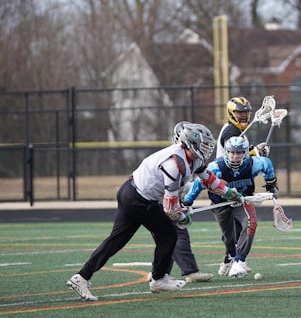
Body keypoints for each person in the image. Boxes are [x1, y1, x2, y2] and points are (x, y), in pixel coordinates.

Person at [66, 123, 243, 301]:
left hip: (133, 192)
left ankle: (81, 277)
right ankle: (158, 279)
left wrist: (231, 194)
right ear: (190, 143)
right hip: (139, 199)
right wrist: (182, 216)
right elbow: (170, 207)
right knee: (168, 235)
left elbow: (209, 180)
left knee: (116, 241)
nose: (207, 148)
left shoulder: (192, 158)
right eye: (204, 144)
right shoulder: (175, 164)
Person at [183, 135, 279, 278]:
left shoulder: (254, 164)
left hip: (243, 201)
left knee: (251, 223)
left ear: (246, 152)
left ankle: (239, 261)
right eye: (232, 152)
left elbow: (267, 164)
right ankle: (230, 256)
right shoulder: (216, 168)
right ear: (226, 152)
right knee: (229, 238)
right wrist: (187, 202)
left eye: (239, 152)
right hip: (221, 204)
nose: (235, 156)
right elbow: (198, 184)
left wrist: (271, 184)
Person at [146, 121, 213, 284]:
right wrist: (180, 211)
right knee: (177, 234)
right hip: (159, 202)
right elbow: (172, 185)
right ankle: (190, 271)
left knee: (167, 237)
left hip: (163, 201)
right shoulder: (175, 159)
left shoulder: (188, 159)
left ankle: (157, 272)